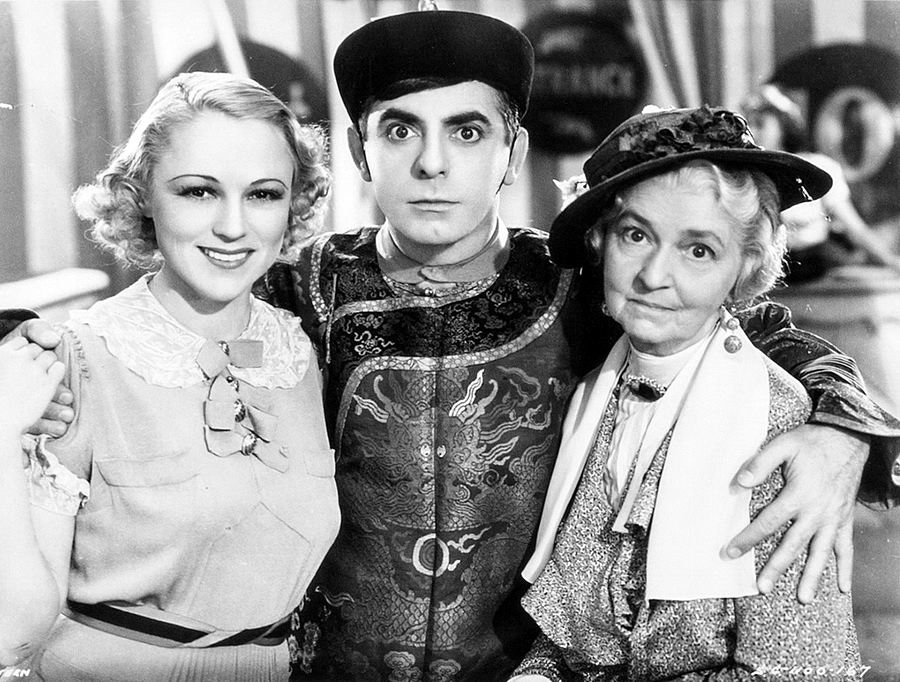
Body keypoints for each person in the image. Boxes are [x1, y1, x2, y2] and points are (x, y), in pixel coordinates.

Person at [253, 9, 898, 682]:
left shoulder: (578, 282)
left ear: (514, 154)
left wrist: (840, 431)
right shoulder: (306, 285)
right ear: (360, 152)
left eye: (467, 132)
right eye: (399, 129)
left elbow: (752, 333)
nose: (432, 164)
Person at [509, 105, 899, 681]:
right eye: (636, 235)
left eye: (699, 250)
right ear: (599, 242)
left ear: (745, 267)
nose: (653, 276)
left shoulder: (780, 427)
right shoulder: (591, 396)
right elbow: (575, 641)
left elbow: (797, 672)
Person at [0, 71, 339, 681]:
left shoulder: (297, 350)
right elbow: (10, 637)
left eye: (263, 194)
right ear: (142, 198)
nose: (233, 226)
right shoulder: (76, 357)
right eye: (198, 191)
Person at [741, 84, 900, 282]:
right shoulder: (749, 175)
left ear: (783, 125)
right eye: (749, 125)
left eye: (761, 124)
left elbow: (855, 228)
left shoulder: (816, 166)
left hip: (815, 264)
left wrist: (890, 261)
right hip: (767, 269)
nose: (753, 132)